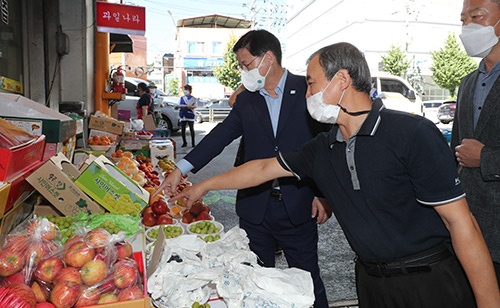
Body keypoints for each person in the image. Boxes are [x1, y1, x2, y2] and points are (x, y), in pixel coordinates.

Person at [170, 42, 500, 308]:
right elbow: (261, 168)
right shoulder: (323, 148)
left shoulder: (412, 133)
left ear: (341, 80)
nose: (307, 91)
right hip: (371, 283)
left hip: (430, 283)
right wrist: (203, 186)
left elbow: (462, 223)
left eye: (312, 82)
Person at [155, 29, 330, 307]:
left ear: (268, 58)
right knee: (253, 282)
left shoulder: (307, 91)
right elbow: (219, 137)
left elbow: (326, 146)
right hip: (255, 208)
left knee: (308, 282)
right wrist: (180, 169)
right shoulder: (247, 99)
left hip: (299, 204)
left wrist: (323, 194)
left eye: (246, 64)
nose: (243, 72)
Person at [454, 0, 500, 287]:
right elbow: (454, 154)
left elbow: (476, 155)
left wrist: (486, 159)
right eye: (462, 19)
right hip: (469, 228)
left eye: (476, 16)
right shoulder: (467, 83)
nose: (466, 26)